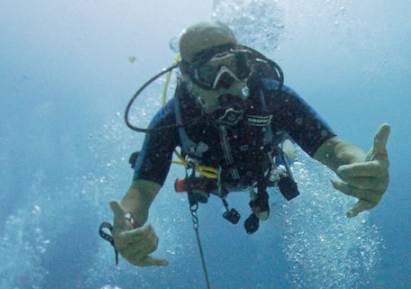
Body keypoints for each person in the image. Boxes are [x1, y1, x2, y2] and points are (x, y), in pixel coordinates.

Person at [107, 21, 391, 267]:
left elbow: (332, 148)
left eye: (235, 67)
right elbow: (141, 190)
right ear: (187, 75)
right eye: (209, 73)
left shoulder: (273, 96)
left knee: (285, 158)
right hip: (213, 179)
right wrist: (127, 225)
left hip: (265, 165)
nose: (226, 83)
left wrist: (361, 164)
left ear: (247, 63)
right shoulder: (172, 120)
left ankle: (284, 156)